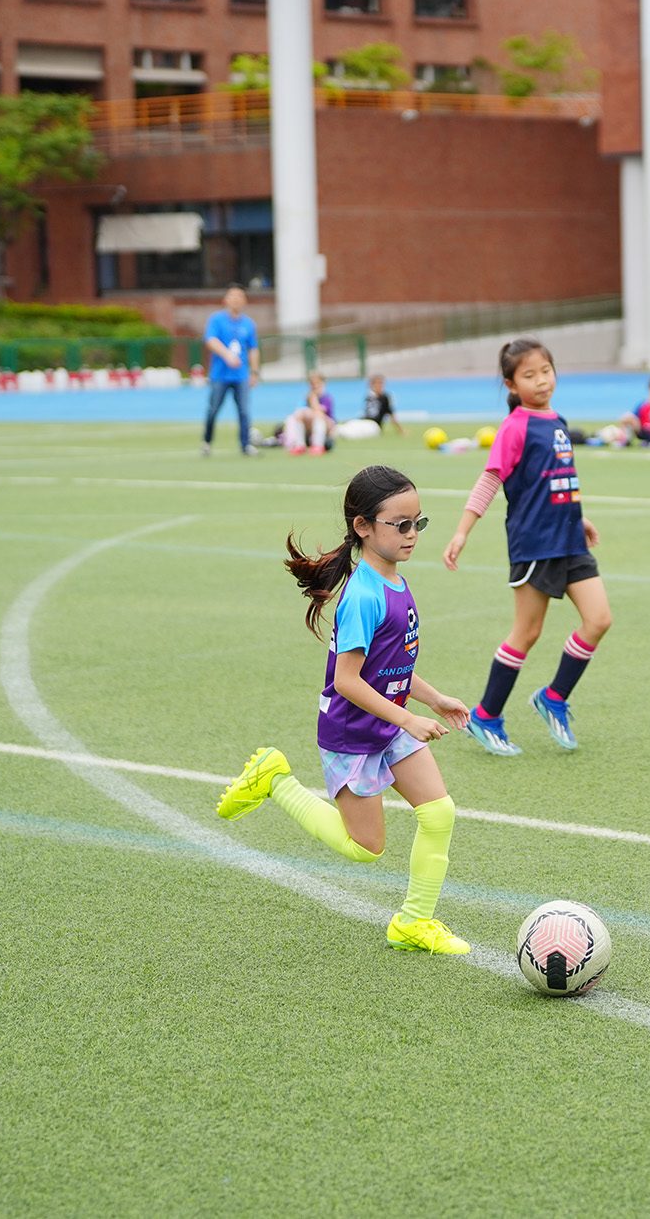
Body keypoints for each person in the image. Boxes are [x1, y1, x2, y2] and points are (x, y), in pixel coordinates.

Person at [215, 465, 471, 954]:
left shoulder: (395, 581)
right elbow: (347, 681)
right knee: (365, 848)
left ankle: (413, 923)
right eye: (401, 524)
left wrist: (434, 699)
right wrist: (408, 718)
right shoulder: (363, 596)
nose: (412, 534)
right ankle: (276, 781)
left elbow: (390, 664)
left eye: (418, 522)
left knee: (439, 812)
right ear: (363, 526)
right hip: (353, 733)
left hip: (388, 724)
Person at [445, 338, 611, 756]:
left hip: (569, 539)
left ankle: (553, 697)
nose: (541, 381)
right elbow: (491, 479)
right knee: (527, 632)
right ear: (511, 385)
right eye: (529, 375)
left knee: (598, 619)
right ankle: (486, 715)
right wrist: (463, 531)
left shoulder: (558, 421)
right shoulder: (515, 426)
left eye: (546, 371)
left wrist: (578, 516)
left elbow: (554, 479)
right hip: (535, 544)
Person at [201, 285, 259, 456]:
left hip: (241, 376)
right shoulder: (217, 320)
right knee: (213, 409)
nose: (236, 300)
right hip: (220, 375)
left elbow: (253, 348)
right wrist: (227, 355)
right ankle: (207, 441)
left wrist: (254, 371)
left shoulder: (248, 324)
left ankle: (245, 444)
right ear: (225, 300)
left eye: (239, 297)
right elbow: (210, 340)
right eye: (232, 296)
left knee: (244, 410)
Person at [281, 371, 337, 454]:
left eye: (317, 383)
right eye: (312, 383)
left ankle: (318, 445)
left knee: (318, 416)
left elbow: (320, 412)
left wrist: (313, 398)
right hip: (310, 428)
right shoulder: (306, 397)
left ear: (323, 383)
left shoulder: (326, 398)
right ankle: (299, 445)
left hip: (326, 427)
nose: (315, 386)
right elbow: (299, 412)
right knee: (298, 415)